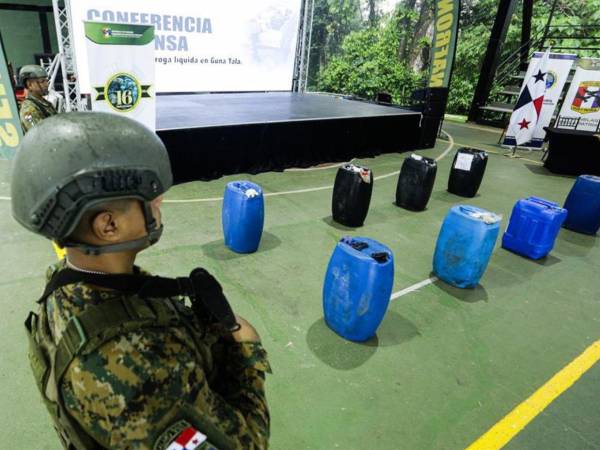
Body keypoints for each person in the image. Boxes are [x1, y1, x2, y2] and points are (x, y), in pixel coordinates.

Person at [11, 112, 270, 450]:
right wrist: (247, 353)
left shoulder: (64, 284)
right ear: (108, 226)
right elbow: (247, 445)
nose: (160, 203)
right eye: (149, 198)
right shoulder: (140, 379)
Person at [18, 64, 57, 133]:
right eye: (42, 81)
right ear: (29, 85)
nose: (46, 84)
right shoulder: (28, 109)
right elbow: (38, 136)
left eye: (46, 81)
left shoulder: (45, 103)